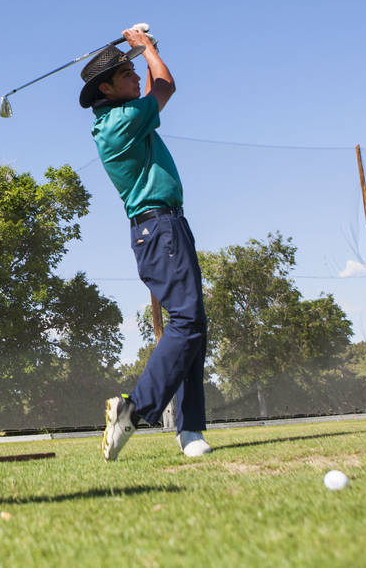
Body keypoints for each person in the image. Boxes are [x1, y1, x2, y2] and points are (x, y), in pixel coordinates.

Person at [80, 26, 212, 461]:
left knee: (192, 325)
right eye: (127, 74)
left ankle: (190, 429)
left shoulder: (123, 117)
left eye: (135, 70)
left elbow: (155, 85)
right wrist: (146, 46)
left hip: (167, 225)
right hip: (159, 227)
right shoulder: (120, 122)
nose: (137, 79)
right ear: (107, 88)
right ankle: (132, 410)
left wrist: (142, 50)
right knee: (187, 321)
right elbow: (166, 85)